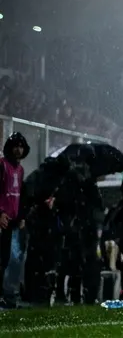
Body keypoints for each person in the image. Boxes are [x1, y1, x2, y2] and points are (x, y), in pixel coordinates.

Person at [0, 132, 29, 309]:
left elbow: (19, 197)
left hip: (13, 221)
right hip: (2, 219)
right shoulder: (2, 165)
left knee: (13, 259)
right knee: (3, 259)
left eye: (21, 146)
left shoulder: (20, 169)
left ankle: (9, 295)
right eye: (16, 146)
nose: (18, 149)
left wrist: (21, 217)